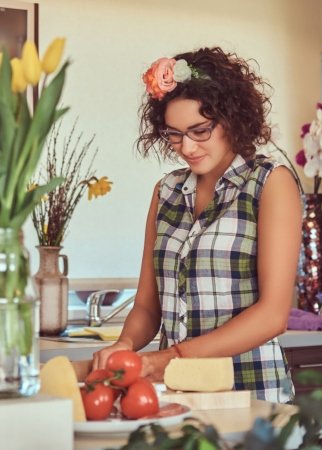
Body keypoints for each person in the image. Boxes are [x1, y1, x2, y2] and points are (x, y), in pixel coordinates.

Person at [92, 47, 302, 403]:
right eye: (174, 134)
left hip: (249, 389)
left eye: (200, 130)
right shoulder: (167, 191)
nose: (186, 146)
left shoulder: (270, 183)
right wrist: (124, 344)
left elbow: (273, 315)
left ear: (232, 119)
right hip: (174, 393)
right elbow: (147, 307)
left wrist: (171, 358)